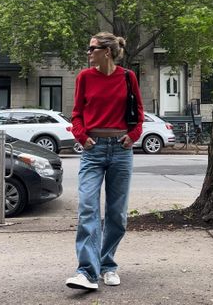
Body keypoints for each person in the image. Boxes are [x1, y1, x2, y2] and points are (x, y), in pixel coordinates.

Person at [66, 31, 144, 290]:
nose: (88, 53)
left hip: (121, 150)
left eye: (92, 49)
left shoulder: (127, 77)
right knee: (88, 207)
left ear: (107, 52)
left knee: (117, 214)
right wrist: (81, 135)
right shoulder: (84, 77)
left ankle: (107, 263)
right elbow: (76, 114)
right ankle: (87, 272)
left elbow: (139, 113)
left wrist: (133, 135)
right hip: (93, 150)